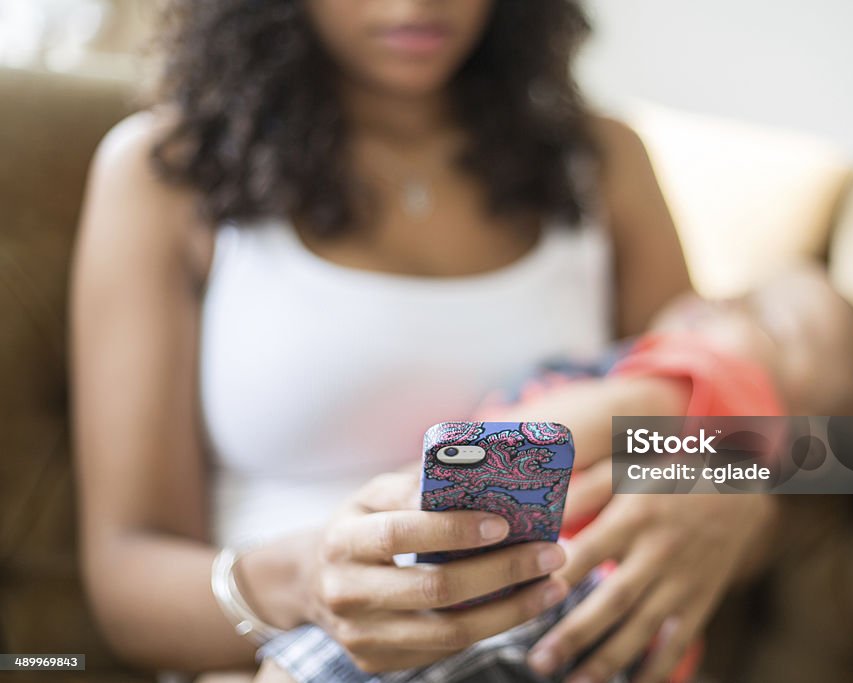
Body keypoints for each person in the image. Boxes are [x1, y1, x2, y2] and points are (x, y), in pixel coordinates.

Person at [69, 2, 699, 683]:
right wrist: (305, 583)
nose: (418, 4)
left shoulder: (605, 161)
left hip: (555, 639)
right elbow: (126, 577)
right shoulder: (162, 173)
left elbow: (737, 414)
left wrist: (732, 500)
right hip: (282, 657)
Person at [250, 263, 853, 682]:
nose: (720, 300)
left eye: (762, 318)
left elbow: (569, 434)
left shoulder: (720, 385)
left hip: (532, 595)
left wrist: (448, 472)